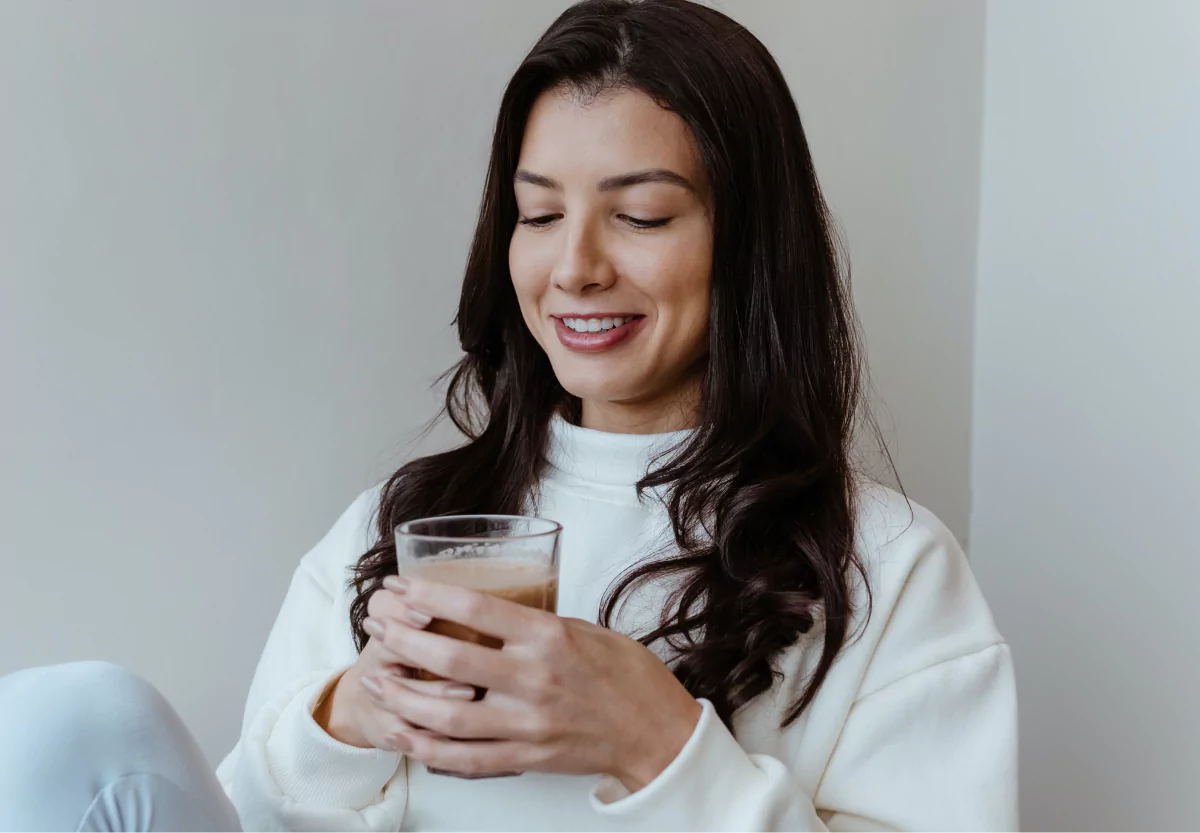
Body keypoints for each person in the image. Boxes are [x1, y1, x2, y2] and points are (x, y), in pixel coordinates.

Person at [0, 1, 1017, 831]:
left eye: (642, 214)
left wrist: (658, 744)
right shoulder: (395, 527)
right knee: (68, 721)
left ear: (747, 246)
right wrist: (349, 716)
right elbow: (241, 815)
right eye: (538, 214)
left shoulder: (884, 568)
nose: (574, 266)